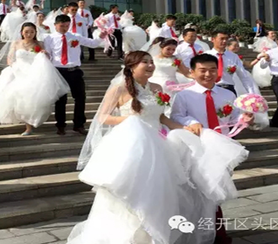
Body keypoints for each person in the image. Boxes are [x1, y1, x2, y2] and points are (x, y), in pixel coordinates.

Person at [69, 51, 248, 244]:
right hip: (133, 143)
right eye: (144, 62)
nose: (150, 65)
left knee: (161, 190)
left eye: (151, 62)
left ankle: (155, 233)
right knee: (134, 191)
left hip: (158, 143)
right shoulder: (119, 89)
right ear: (131, 66)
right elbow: (103, 117)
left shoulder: (156, 87)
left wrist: (184, 128)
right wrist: (131, 120)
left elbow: (162, 118)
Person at [171, 53, 255, 244]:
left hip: (222, 147)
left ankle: (210, 231)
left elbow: (234, 118)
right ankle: (211, 233)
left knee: (214, 192)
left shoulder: (228, 94)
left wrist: (245, 119)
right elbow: (176, 116)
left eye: (212, 70)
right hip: (195, 148)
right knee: (202, 190)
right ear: (192, 72)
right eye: (202, 70)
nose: (208, 74)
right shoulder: (184, 95)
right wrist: (191, 122)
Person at [0, 22, 69, 135]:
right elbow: (10, 58)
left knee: (33, 99)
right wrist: (14, 67)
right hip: (18, 71)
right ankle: (27, 126)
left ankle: (31, 122)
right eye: (26, 32)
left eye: (32, 32)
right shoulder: (16, 43)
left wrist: (45, 53)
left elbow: (47, 57)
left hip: (34, 72)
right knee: (21, 98)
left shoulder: (39, 43)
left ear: (35, 33)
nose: (29, 34)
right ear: (22, 32)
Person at [43, 15, 107, 135]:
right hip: (59, 71)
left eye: (67, 25)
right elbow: (49, 54)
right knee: (61, 100)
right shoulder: (49, 38)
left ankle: (79, 124)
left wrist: (100, 37)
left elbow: (92, 44)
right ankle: (60, 125)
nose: (64, 28)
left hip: (74, 70)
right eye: (62, 26)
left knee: (80, 98)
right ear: (56, 25)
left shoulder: (75, 36)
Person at [205, 30, 258, 95]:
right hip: (211, 88)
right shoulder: (205, 55)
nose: (224, 41)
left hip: (229, 89)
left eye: (226, 39)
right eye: (221, 39)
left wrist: (251, 93)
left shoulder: (233, 56)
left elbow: (243, 76)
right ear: (213, 39)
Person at [148, 37, 191, 116]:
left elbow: (186, 73)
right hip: (156, 84)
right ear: (161, 47)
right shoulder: (152, 59)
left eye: (173, 50)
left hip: (172, 85)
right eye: (168, 49)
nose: (171, 52)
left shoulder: (176, 59)